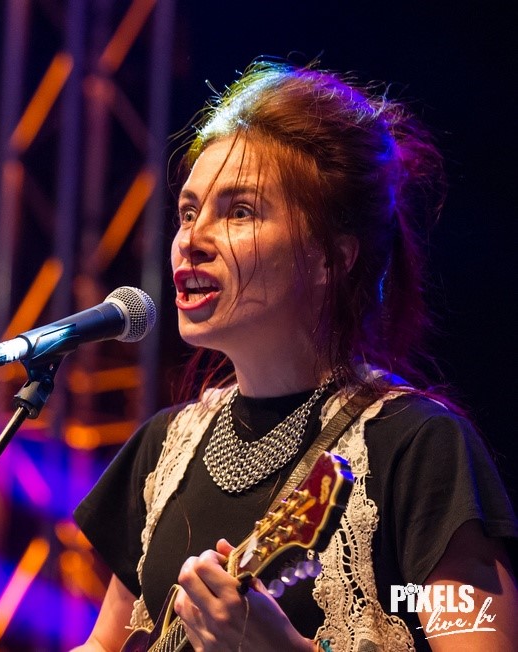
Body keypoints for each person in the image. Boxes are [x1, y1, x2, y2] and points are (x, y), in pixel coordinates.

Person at [71, 60, 518, 651]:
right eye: (188, 211)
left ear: (334, 256)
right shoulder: (164, 449)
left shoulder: (418, 447)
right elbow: (104, 645)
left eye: (239, 211)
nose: (191, 239)